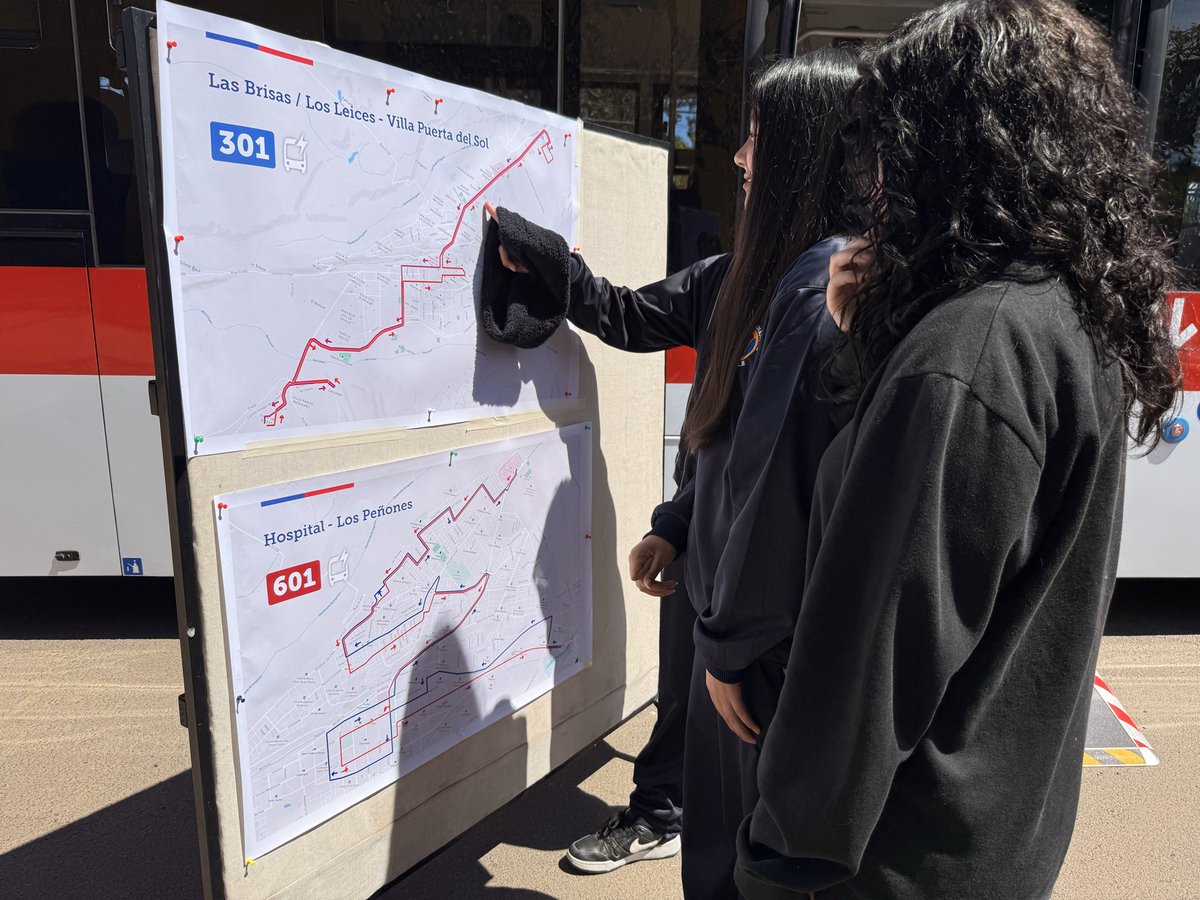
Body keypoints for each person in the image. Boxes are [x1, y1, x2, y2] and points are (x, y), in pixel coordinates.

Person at [734, 2, 1181, 898]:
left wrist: (775, 864)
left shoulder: (964, 355)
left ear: (949, 145)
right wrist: (865, 338)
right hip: (992, 838)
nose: (878, 170)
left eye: (893, 137)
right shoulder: (1063, 311)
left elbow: (868, 665)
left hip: (883, 862)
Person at [480, 51, 858, 893]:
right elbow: (630, 321)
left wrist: (733, 644)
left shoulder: (831, 296)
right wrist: (678, 525)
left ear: (805, 151)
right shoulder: (737, 278)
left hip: (760, 623)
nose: (738, 157)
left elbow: (779, 487)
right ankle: (663, 809)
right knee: (700, 758)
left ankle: (663, 811)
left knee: (750, 832)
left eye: (757, 137)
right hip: (717, 579)